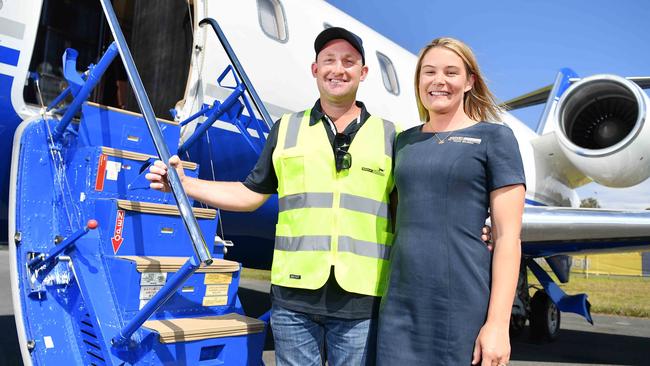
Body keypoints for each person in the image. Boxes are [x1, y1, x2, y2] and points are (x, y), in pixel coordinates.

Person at [147, 27, 396, 366]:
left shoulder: (389, 137)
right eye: (329, 61)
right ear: (315, 69)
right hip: (294, 300)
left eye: (349, 62)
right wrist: (184, 184)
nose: (338, 69)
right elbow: (250, 194)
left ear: (363, 73)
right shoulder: (287, 128)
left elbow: (413, 208)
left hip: (360, 302)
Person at [376, 37, 525, 366]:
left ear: (470, 81)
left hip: (461, 304)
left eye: (451, 72)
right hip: (400, 305)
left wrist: (498, 325)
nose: (438, 80)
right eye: (428, 72)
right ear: (418, 82)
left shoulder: (495, 138)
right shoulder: (404, 142)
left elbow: (508, 238)